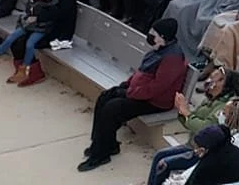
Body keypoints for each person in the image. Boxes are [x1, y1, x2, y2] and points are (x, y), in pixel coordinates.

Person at [80, 17, 189, 172]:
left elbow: (157, 87)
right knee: (105, 97)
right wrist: (126, 85)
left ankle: (101, 154)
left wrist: (130, 92)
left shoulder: (173, 58)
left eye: (154, 33)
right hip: (140, 93)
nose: (150, 36)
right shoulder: (160, 49)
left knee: (112, 109)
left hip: (156, 102)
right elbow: (142, 72)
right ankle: (104, 145)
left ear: (163, 37)